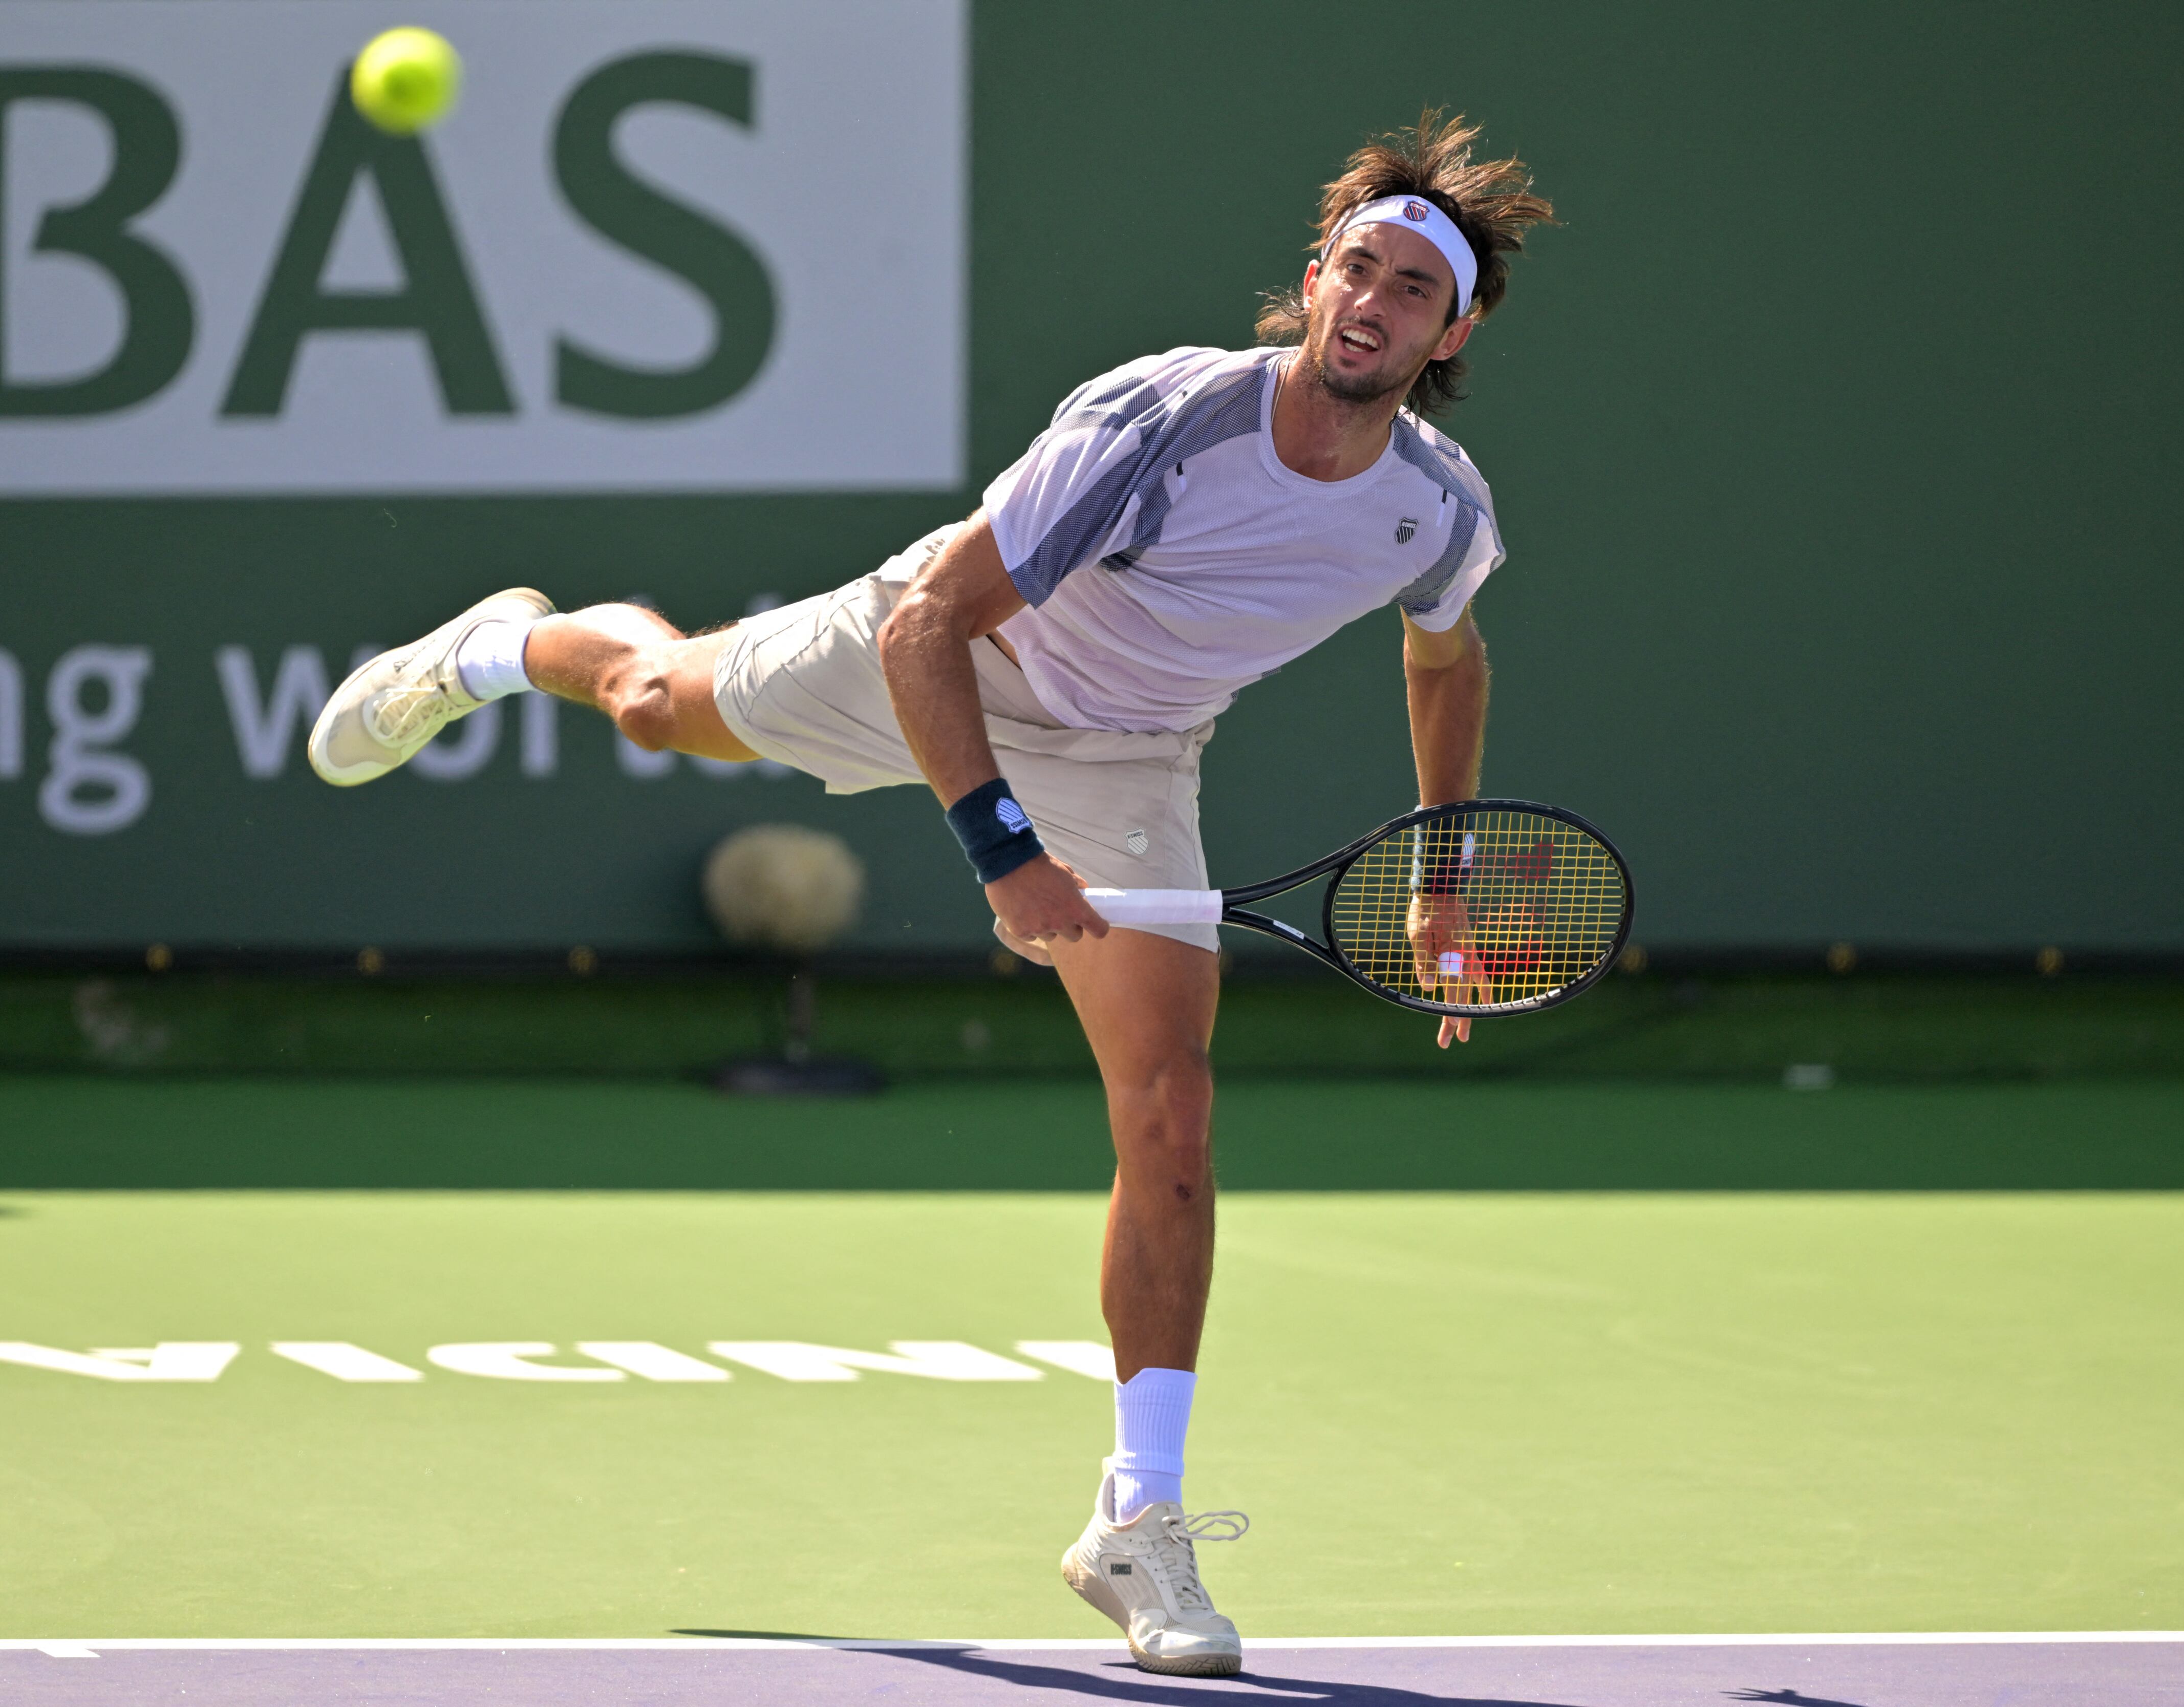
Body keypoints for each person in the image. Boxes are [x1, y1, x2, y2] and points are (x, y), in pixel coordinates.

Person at [306, 111, 1552, 1677]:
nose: (1370, 306)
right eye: (1353, 270)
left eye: (1409, 291)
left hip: (1133, 754)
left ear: (1456, 327)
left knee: (1170, 1115)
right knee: (651, 701)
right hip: (936, 652)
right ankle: (499, 645)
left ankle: (1136, 1523)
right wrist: (1000, 850)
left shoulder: (1434, 509)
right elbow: (931, 630)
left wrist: (1440, 873)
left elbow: (1446, 656)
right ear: (1313, 280)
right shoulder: (1166, 424)